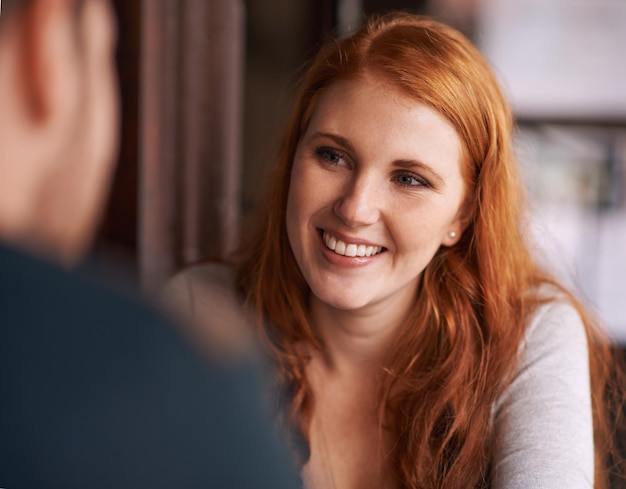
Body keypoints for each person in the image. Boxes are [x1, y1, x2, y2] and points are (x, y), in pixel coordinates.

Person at [163, 11, 625, 489]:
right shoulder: (203, 310)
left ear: (462, 217)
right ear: (294, 159)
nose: (356, 208)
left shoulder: (528, 335)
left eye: (409, 179)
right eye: (332, 155)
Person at [0, 0, 299, 488]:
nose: (357, 207)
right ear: (46, 36)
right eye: (107, 55)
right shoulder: (155, 373)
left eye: (411, 179)